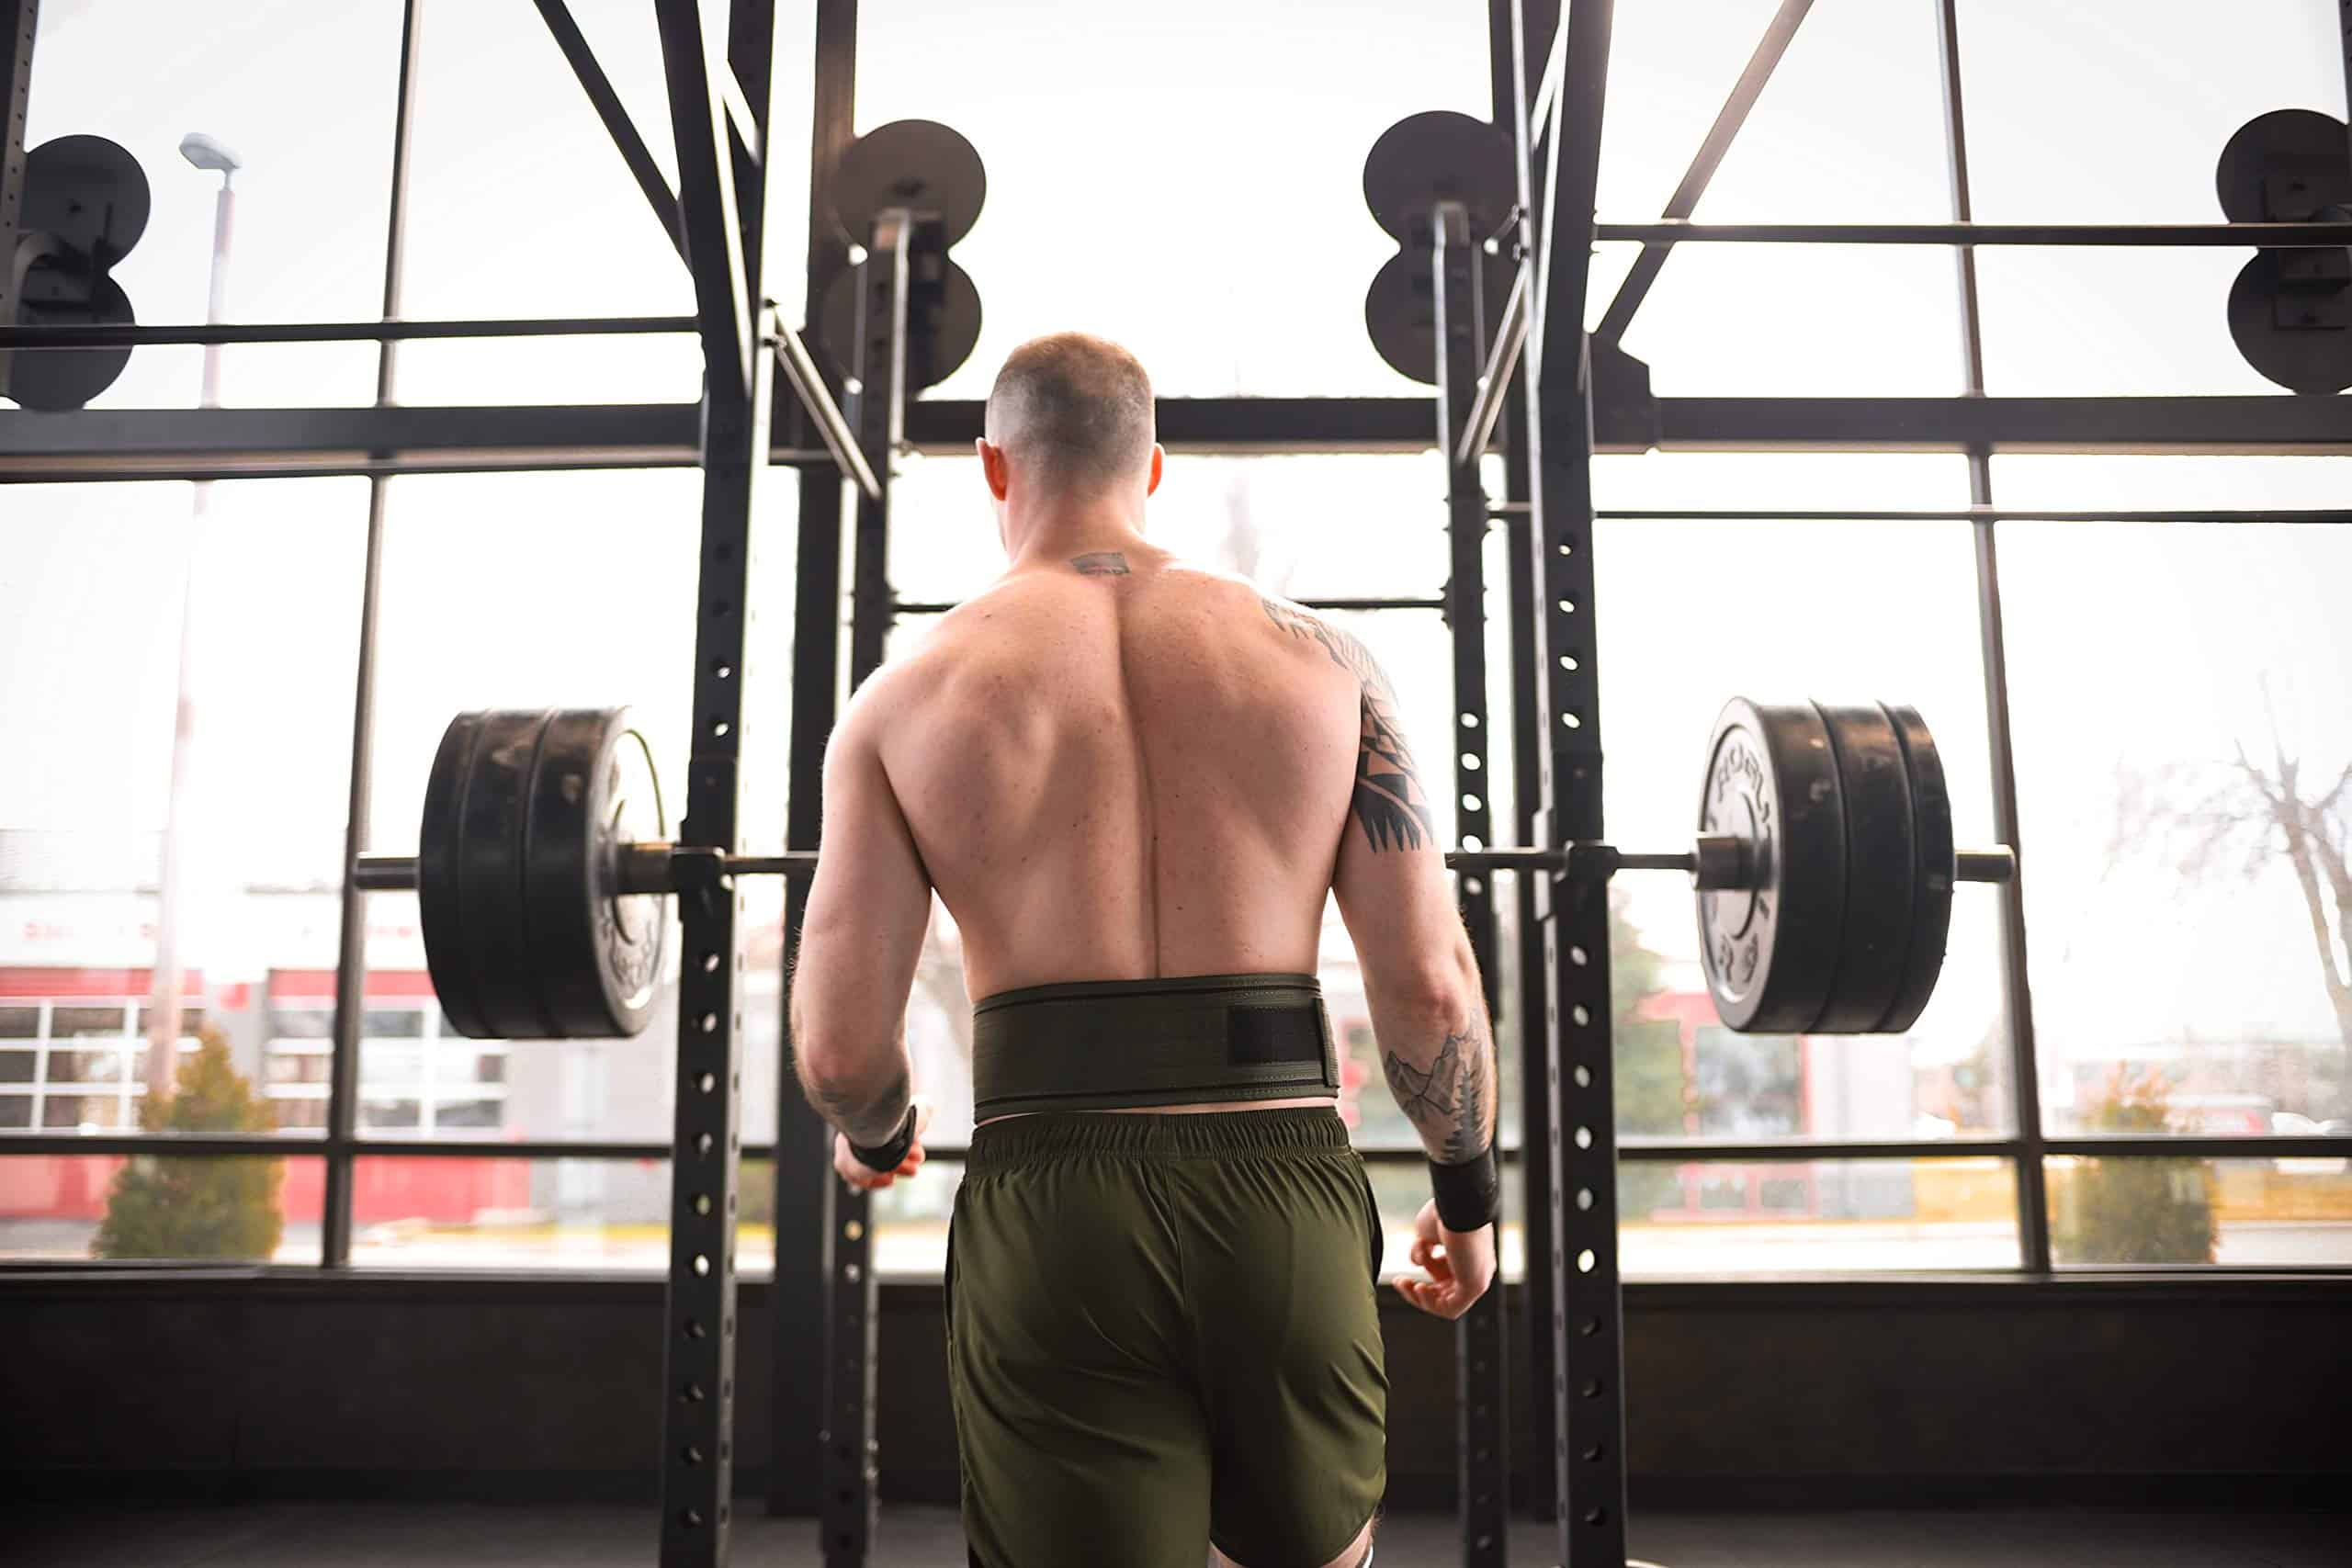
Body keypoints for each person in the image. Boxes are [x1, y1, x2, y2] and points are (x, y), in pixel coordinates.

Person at [791, 332, 1499, 1568]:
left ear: (994, 470)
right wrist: (1469, 1200)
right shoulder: (1329, 670)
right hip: (1282, 1180)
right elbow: (1429, 985)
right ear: (1154, 467)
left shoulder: (905, 701)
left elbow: (842, 1045)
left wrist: (879, 1134)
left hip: (1054, 1207)